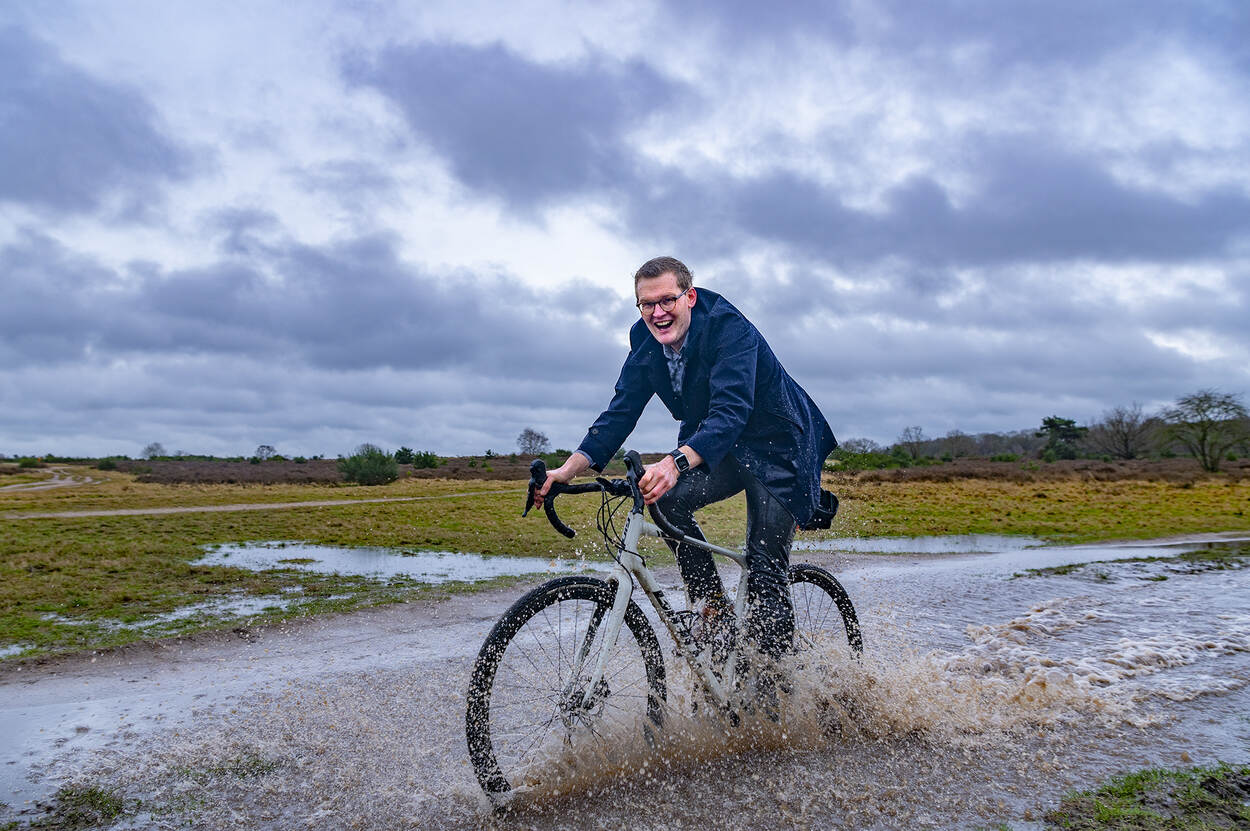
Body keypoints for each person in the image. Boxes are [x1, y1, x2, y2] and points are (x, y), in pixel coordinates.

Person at [537, 256, 836, 664]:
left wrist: (673, 462)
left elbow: (731, 411)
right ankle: (714, 612)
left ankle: (776, 690)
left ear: (689, 297)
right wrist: (567, 469)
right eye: (647, 304)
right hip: (719, 445)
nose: (658, 313)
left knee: (766, 567)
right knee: (664, 498)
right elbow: (621, 411)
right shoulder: (645, 340)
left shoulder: (729, 328)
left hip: (778, 446)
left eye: (667, 301)